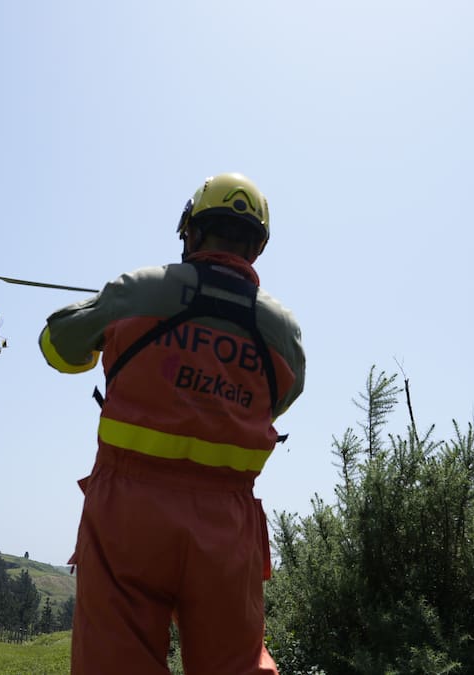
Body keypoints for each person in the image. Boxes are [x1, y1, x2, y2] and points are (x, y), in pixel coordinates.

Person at [40, 172, 305, 675]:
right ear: (258, 246)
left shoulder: (139, 290)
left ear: (192, 230)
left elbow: (56, 346)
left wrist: (103, 310)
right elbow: (279, 401)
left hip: (127, 514)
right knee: (236, 666)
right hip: (228, 526)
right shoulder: (283, 329)